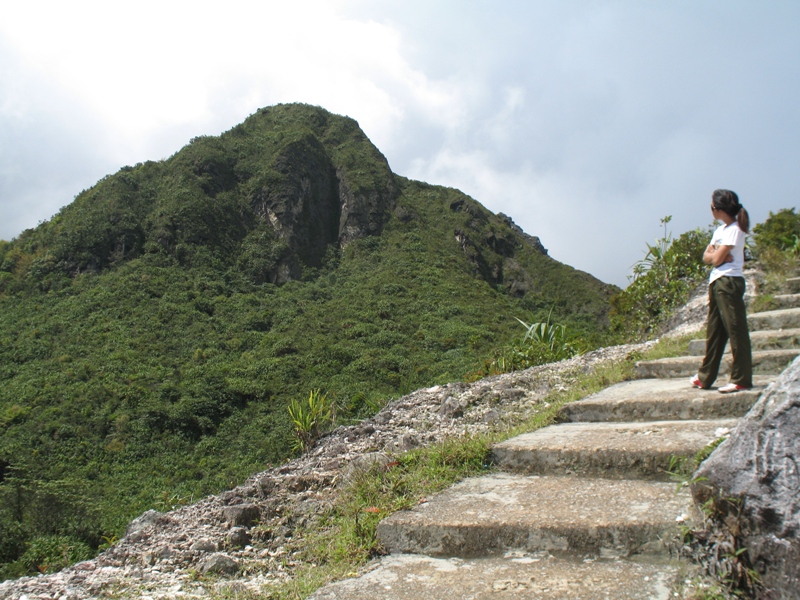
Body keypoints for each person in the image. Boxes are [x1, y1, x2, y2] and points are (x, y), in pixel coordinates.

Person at [691, 189, 753, 393]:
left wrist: (716, 255)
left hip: (729, 281)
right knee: (715, 331)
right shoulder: (720, 231)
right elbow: (707, 257)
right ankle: (705, 377)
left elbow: (715, 259)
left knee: (735, 329)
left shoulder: (735, 229)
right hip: (716, 281)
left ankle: (741, 378)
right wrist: (716, 255)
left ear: (717, 209)